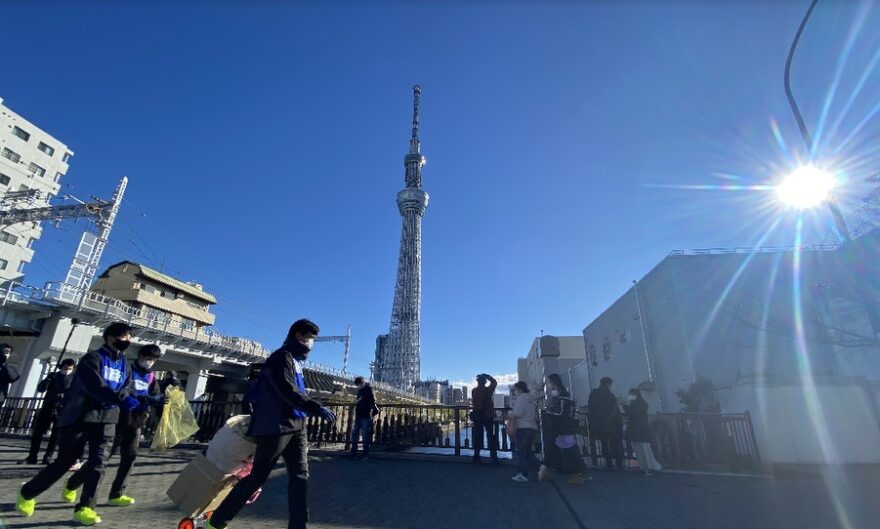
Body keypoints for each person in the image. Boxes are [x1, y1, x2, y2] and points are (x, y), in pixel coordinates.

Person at [207, 319, 337, 529]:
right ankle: (217, 521)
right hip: (276, 426)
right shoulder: (280, 358)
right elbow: (287, 390)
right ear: (299, 336)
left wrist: (308, 411)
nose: (311, 345)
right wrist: (316, 408)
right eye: (309, 339)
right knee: (258, 476)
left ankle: (298, 525)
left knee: (300, 476)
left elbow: (297, 392)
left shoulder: (295, 362)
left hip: (297, 425)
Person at [17, 322, 138, 526]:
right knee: (65, 462)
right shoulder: (92, 358)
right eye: (125, 336)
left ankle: (85, 508)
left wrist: (125, 397)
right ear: (110, 337)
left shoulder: (125, 363)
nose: (128, 341)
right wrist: (118, 397)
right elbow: (94, 385)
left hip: (108, 419)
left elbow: (127, 385)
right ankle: (27, 492)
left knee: (99, 464)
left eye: (130, 337)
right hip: (81, 418)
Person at [107, 344, 165, 505]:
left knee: (130, 456)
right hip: (119, 416)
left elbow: (155, 393)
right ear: (140, 356)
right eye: (148, 359)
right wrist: (141, 397)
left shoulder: (151, 376)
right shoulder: (127, 370)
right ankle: (75, 482)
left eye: (153, 360)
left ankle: (117, 494)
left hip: (137, 419)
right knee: (104, 456)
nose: (150, 362)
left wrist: (159, 399)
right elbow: (122, 389)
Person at [539, 374, 590, 484]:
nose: (549, 386)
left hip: (562, 428)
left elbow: (561, 414)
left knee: (566, 451)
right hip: (565, 428)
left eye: (550, 383)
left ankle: (576, 474)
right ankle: (577, 473)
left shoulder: (562, 399)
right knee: (562, 450)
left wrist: (549, 412)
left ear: (554, 383)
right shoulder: (566, 397)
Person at [25, 358, 76, 465]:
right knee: (38, 432)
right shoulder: (54, 376)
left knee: (56, 435)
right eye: (65, 367)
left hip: (62, 409)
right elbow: (41, 389)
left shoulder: (75, 379)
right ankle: (32, 455)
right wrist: (48, 380)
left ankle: (48, 456)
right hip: (48, 406)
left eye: (70, 368)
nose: (67, 370)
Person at [587, 376, 624, 470]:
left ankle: (608, 463)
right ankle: (619, 463)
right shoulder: (610, 395)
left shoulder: (594, 394)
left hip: (599, 424)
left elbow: (591, 408)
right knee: (615, 444)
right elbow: (615, 411)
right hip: (612, 424)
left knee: (604, 444)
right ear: (608, 384)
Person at [624, 388, 662, 476]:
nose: (630, 396)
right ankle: (644, 467)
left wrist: (624, 405)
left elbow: (632, 413)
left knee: (644, 450)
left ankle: (649, 468)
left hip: (639, 430)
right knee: (640, 450)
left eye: (631, 394)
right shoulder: (639, 403)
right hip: (639, 430)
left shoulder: (639, 404)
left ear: (636, 395)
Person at [508, 381, 539, 482]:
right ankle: (542, 468)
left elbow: (518, 413)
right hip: (532, 427)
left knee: (521, 453)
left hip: (523, 428)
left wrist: (510, 413)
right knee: (528, 452)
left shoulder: (521, 398)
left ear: (519, 389)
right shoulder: (530, 399)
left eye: (515, 390)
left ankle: (523, 474)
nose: (515, 392)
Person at [470, 373, 498, 464]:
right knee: (490, 436)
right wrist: (486, 375)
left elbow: (475, 403)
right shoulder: (488, 390)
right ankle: (494, 458)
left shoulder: (474, 391)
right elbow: (494, 382)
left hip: (478, 416)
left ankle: (476, 457)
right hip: (488, 416)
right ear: (485, 382)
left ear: (477, 382)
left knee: (477, 436)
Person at [350, 376, 379, 460]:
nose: (357, 386)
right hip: (358, 415)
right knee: (354, 435)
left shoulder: (369, 389)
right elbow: (359, 401)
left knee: (365, 436)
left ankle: (365, 455)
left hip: (365, 416)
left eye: (358, 385)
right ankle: (354, 453)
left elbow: (372, 402)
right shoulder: (360, 390)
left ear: (361, 383)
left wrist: (366, 409)